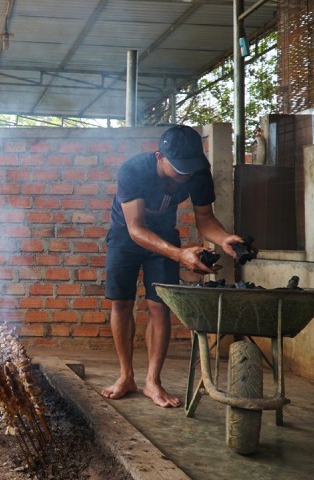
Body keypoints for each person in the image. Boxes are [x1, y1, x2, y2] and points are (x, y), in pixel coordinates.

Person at [101, 125, 244, 408]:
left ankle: (153, 382)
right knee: (121, 303)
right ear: (159, 157)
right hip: (126, 236)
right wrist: (180, 255)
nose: (186, 175)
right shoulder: (133, 171)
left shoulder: (198, 173)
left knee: (160, 306)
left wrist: (225, 238)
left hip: (165, 235)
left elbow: (205, 220)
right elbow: (136, 229)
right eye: (180, 169)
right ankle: (125, 376)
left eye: (191, 168)